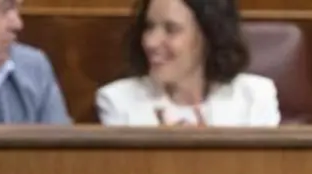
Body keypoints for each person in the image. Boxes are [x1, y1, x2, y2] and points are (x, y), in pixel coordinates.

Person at [97, 0, 280, 126]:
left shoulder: (255, 97)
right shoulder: (118, 101)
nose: (151, 42)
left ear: (209, 36)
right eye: (149, 26)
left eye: (171, 29)